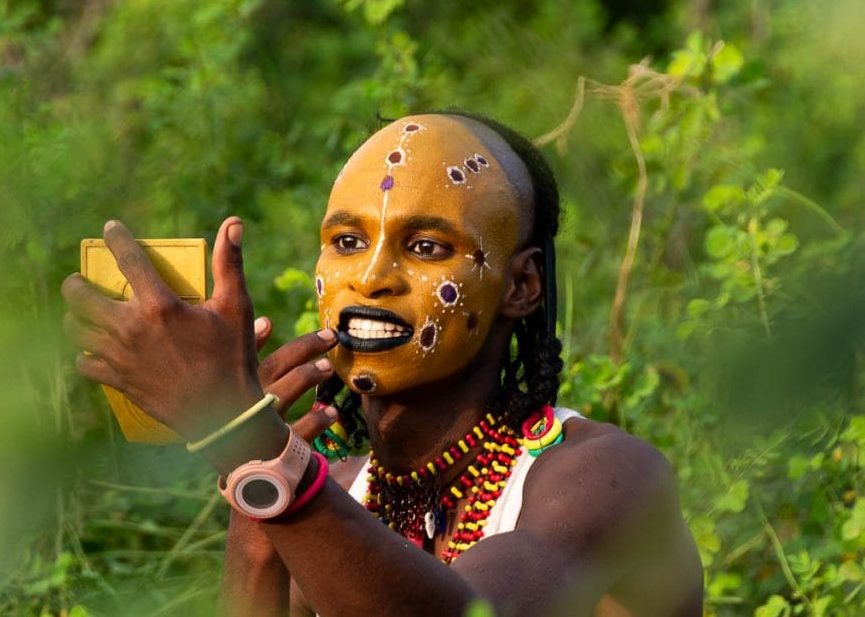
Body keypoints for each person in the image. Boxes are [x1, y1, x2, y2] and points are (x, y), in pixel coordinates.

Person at [62, 112, 703, 616]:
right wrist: (251, 478)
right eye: (347, 242)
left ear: (521, 286)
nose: (371, 278)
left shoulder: (603, 478)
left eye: (425, 246)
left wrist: (249, 447)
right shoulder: (331, 491)